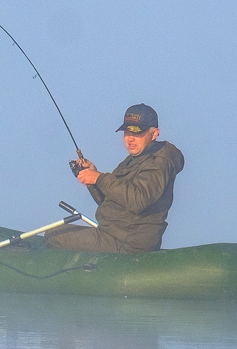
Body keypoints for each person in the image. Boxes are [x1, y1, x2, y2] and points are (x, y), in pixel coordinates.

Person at [45, 103, 184, 254]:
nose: (130, 139)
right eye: (126, 132)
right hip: (114, 234)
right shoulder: (135, 159)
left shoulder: (158, 163)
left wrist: (99, 179)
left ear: (154, 133)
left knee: (54, 235)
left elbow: (138, 200)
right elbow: (113, 201)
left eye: (137, 133)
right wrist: (92, 179)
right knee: (56, 231)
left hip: (127, 242)